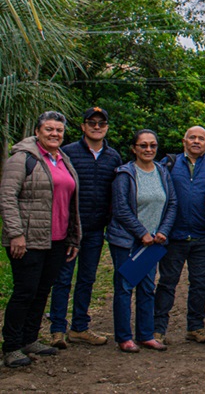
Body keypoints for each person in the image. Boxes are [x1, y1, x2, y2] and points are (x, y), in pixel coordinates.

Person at [1, 111, 80, 368]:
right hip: (29, 239)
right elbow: (7, 197)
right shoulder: (22, 158)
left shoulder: (62, 159)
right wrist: (16, 234)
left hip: (56, 238)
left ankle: (29, 338)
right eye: (49, 129)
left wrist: (72, 237)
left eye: (58, 130)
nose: (54, 133)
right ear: (37, 131)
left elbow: (69, 201)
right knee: (25, 291)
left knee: (41, 291)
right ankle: (11, 346)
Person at [49, 107, 121, 349]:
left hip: (95, 229)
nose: (97, 126)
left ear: (107, 127)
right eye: (92, 122)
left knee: (87, 279)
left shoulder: (113, 157)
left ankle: (80, 327)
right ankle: (57, 329)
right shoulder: (67, 153)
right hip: (70, 229)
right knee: (62, 279)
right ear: (83, 126)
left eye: (102, 122)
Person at [106, 129, 176, 353]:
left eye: (152, 145)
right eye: (143, 145)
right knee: (125, 287)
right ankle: (124, 337)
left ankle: (146, 334)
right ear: (134, 148)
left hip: (154, 242)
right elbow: (120, 209)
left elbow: (172, 203)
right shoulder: (125, 174)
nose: (148, 149)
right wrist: (141, 233)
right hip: (128, 241)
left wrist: (163, 231)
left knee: (147, 288)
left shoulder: (162, 172)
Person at [153, 126, 205, 345]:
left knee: (200, 283)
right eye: (193, 138)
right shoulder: (168, 164)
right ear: (184, 141)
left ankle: (195, 326)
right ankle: (158, 328)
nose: (197, 141)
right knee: (167, 283)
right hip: (175, 235)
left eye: (201, 138)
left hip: (204, 235)